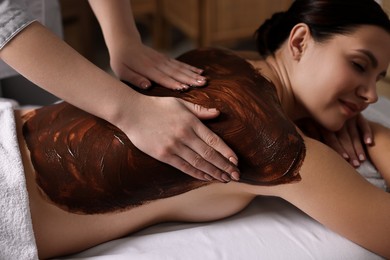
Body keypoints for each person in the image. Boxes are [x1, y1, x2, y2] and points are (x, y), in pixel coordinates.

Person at [3, 0, 390, 258]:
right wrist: (376, 135)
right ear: (300, 41)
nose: (372, 95)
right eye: (359, 65)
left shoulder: (214, 59)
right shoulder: (272, 144)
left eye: (380, 77)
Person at [0, 0, 240, 182]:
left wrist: (123, 36)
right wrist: (130, 110)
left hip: (30, 30)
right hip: (16, 36)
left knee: (45, 137)